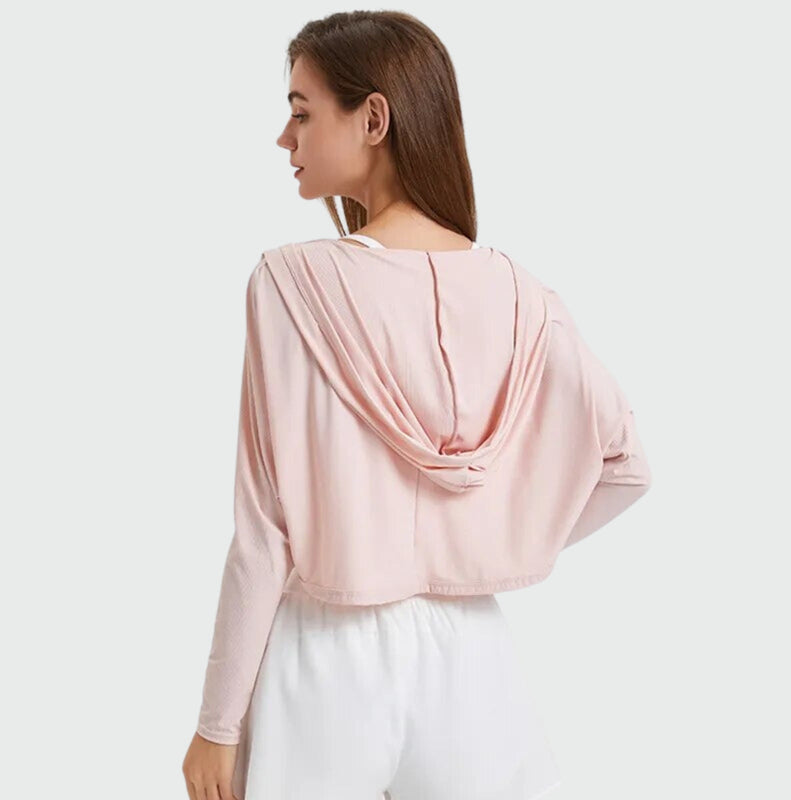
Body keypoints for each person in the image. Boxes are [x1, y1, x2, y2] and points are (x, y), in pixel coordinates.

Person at [182, 10, 653, 800]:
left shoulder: (291, 284)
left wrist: (216, 724)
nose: (284, 137)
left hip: (324, 659)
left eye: (302, 112)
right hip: (473, 656)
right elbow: (626, 467)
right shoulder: (523, 295)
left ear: (373, 119)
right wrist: (492, 538)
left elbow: (263, 535)